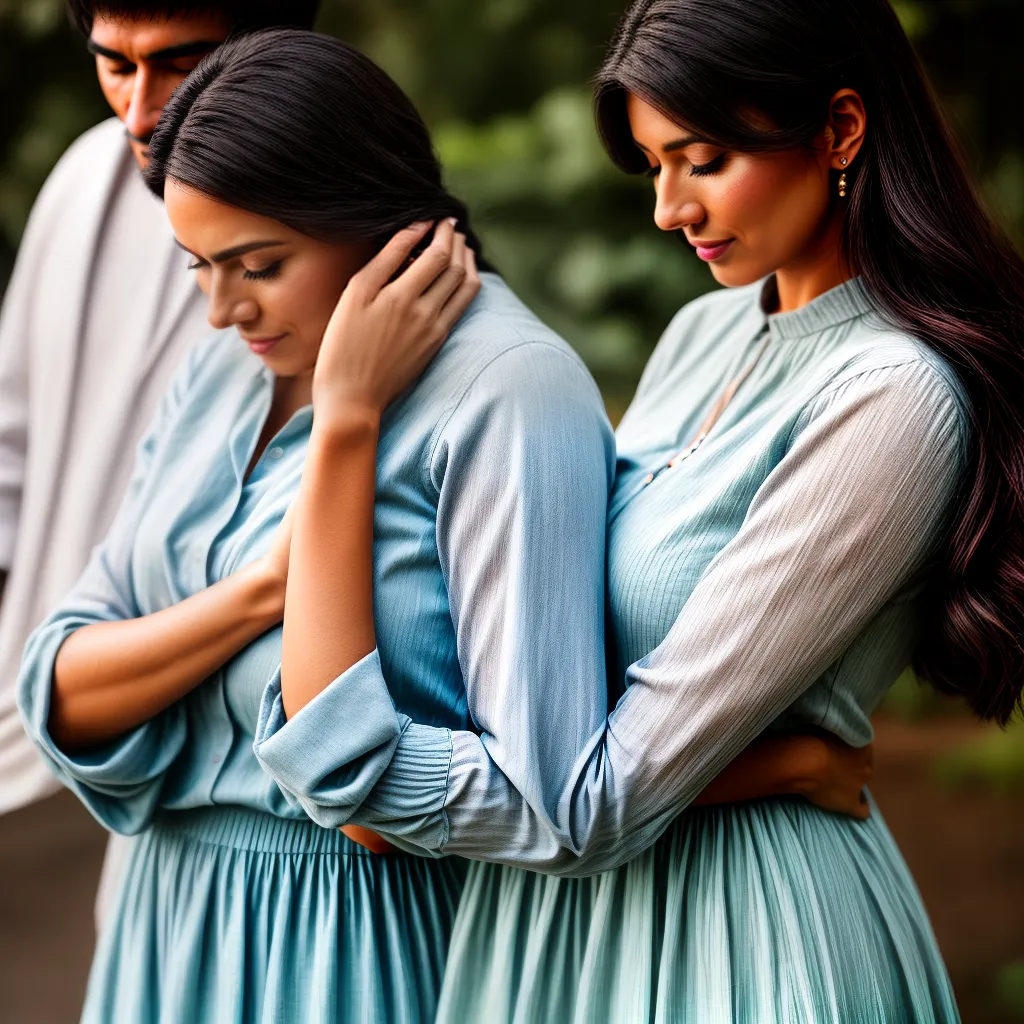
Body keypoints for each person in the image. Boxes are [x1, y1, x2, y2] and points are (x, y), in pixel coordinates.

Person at [17, 29, 870, 1024]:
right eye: (198, 264)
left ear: (366, 220)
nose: (218, 309)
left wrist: (345, 424)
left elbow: (534, 785)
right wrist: (263, 590)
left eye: (256, 262)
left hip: (360, 950)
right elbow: (57, 683)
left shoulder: (508, 388)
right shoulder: (229, 367)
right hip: (166, 923)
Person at [252, 1, 1024, 1021]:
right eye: (656, 165)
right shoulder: (701, 332)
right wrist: (783, 762)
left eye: (701, 160)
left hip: (742, 931)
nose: (667, 208)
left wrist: (357, 775)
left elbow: (596, 800)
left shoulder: (892, 396)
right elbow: (540, 692)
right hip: (542, 926)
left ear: (839, 130)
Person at [0, 0, 318, 922]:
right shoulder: (82, 181)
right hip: (64, 697)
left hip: (245, 771)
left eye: (181, 64)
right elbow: (11, 440)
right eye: (113, 66)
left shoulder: (340, 228)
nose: (140, 112)